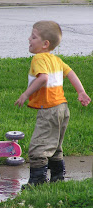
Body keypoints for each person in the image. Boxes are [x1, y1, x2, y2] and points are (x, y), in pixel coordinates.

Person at [15, 20, 91, 188]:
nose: (29, 39)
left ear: (45, 44)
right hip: (62, 108)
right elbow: (71, 74)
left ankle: (38, 182)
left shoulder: (38, 58)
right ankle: (57, 178)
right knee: (55, 146)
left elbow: (43, 78)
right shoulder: (56, 60)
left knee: (37, 148)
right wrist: (81, 91)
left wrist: (25, 94)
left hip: (49, 109)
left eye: (33, 37)